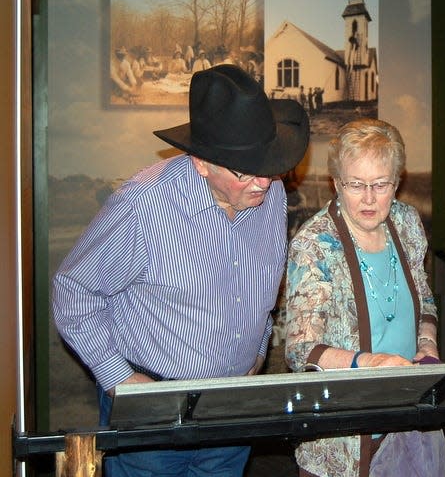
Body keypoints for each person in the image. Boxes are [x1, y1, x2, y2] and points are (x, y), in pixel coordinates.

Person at [51, 64, 310, 477]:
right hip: (154, 412)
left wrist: (257, 350)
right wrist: (120, 380)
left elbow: (262, 287)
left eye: (270, 165)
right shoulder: (142, 207)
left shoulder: (271, 196)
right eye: (246, 171)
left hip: (231, 407)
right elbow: (73, 291)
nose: (264, 182)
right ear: (201, 163)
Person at [284, 118, 445, 477]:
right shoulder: (314, 246)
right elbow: (300, 351)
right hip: (341, 440)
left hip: (406, 421)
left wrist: (427, 345)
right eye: (356, 184)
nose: (370, 198)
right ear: (336, 183)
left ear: (397, 181)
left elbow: (425, 299)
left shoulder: (406, 223)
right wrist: (371, 363)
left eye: (381, 184)